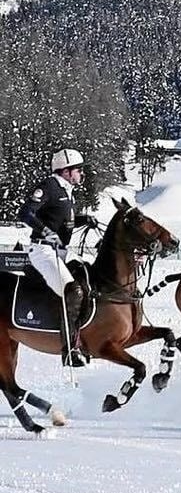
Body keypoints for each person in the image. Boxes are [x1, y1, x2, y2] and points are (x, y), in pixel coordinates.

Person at [18, 148, 100, 367]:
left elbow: (60, 219)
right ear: (65, 171)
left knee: (87, 279)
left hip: (60, 252)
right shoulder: (50, 187)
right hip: (43, 251)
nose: (81, 174)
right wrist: (45, 231)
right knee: (72, 291)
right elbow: (25, 212)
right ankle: (70, 349)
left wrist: (85, 219)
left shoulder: (67, 191)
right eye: (78, 170)